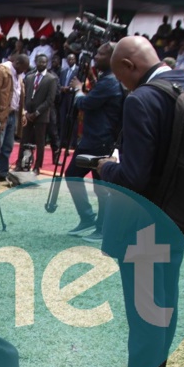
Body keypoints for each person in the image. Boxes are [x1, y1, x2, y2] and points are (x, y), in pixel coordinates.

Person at [84, 35, 184, 367]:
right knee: (162, 309)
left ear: (131, 66)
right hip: (178, 218)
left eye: (121, 77)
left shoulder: (143, 99)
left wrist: (104, 167)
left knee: (148, 315)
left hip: (146, 226)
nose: (122, 86)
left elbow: (133, 177)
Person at [64, 43, 124, 242]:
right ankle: (88, 218)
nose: (96, 56)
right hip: (92, 139)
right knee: (73, 175)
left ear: (112, 58)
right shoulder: (106, 80)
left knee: (101, 187)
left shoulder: (110, 82)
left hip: (100, 141)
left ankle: (102, 228)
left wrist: (79, 90)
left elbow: (85, 104)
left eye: (101, 54)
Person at [0, 54, 30, 184]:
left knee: (7, 146)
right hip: (0, 114)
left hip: (12, 114)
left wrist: (22, 113)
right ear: (16, 62)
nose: (24, 71)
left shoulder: (18, 75)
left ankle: (1, 173)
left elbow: (19, 95)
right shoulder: (2, 70)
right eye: (23, 68)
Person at [16, 54, 58, 173]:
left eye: (44, 62)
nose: (42, 64)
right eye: (40, 62)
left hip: (41, 115)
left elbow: (50, 100)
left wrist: (37, 113)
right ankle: (20, 163)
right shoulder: (29, 77)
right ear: (36, 62)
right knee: (24, 140)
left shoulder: (51, 79)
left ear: (47, 63)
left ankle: (37, 167)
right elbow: (24, 96)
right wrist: (26, 112)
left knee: (40, 142)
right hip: (28, 114)